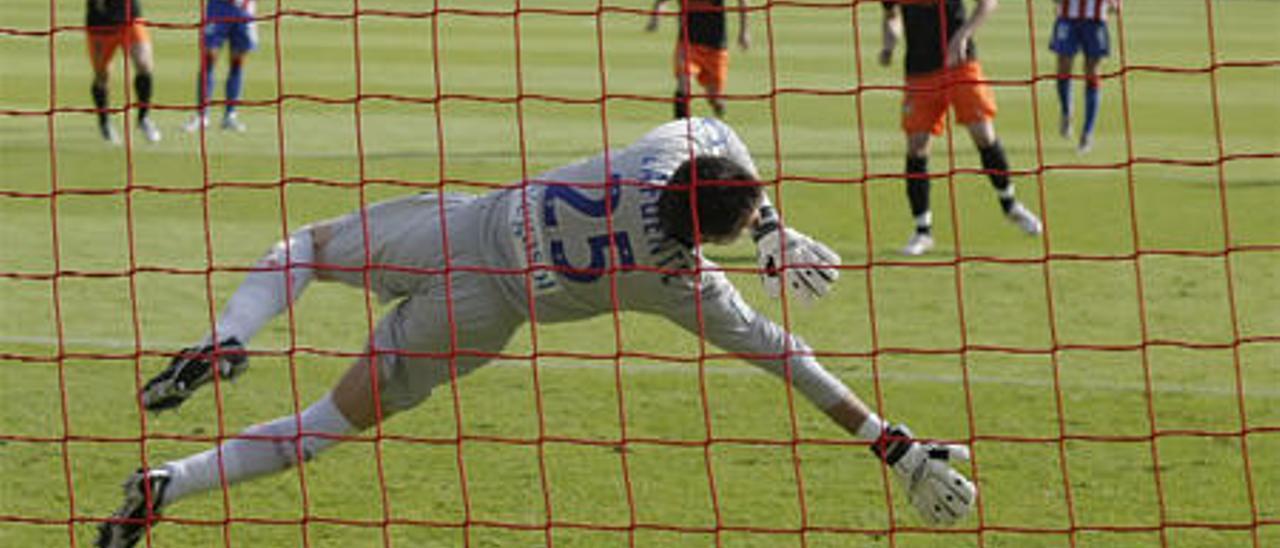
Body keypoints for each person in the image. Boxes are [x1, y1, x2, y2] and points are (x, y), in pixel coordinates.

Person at [95, 118, 975, 548]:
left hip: (464, 226)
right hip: (479, 319)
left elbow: (714, 123)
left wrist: (772, 219)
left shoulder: (655, 155)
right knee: (327, 423)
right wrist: (887, 443)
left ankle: (231, 334)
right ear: (710, 233)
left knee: (302, 249)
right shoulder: (681, 283)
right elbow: (789, 355)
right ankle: (167, 487)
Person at [879, 0, 1043, 256]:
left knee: (983, 135)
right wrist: (889, 44)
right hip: (919, 73)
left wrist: (963, 35)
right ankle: (922, 232)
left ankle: (1010, 205)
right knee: (916, 147)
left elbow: (988, 4)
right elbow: (891, 15)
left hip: (960, 66)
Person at [645, 0, 750, 119]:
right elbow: (661, 2)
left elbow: (742, 2)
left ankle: (718, 110)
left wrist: (744, 31)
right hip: (688, 43)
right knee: (684, 84)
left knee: (715, 99)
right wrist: (655, 18)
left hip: (716, 47)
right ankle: (682, 128)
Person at [86, 0, 161, 144]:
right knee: (102, 76)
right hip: (100, 23)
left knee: (144, 63)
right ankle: (104, 122)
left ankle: (143, 118)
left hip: (130, 18)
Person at [1050, 0, 1119, 153]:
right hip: (1068, 17)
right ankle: (1067, 112)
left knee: (1092, 73)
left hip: (1095, 19)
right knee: (1063, 68)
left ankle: (1087, 133)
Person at [184, 0, 258, 133]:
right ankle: (202, 115)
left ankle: (230, 115)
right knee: (209, 57)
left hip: (244, 8)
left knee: (237, 62)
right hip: (218, 6)